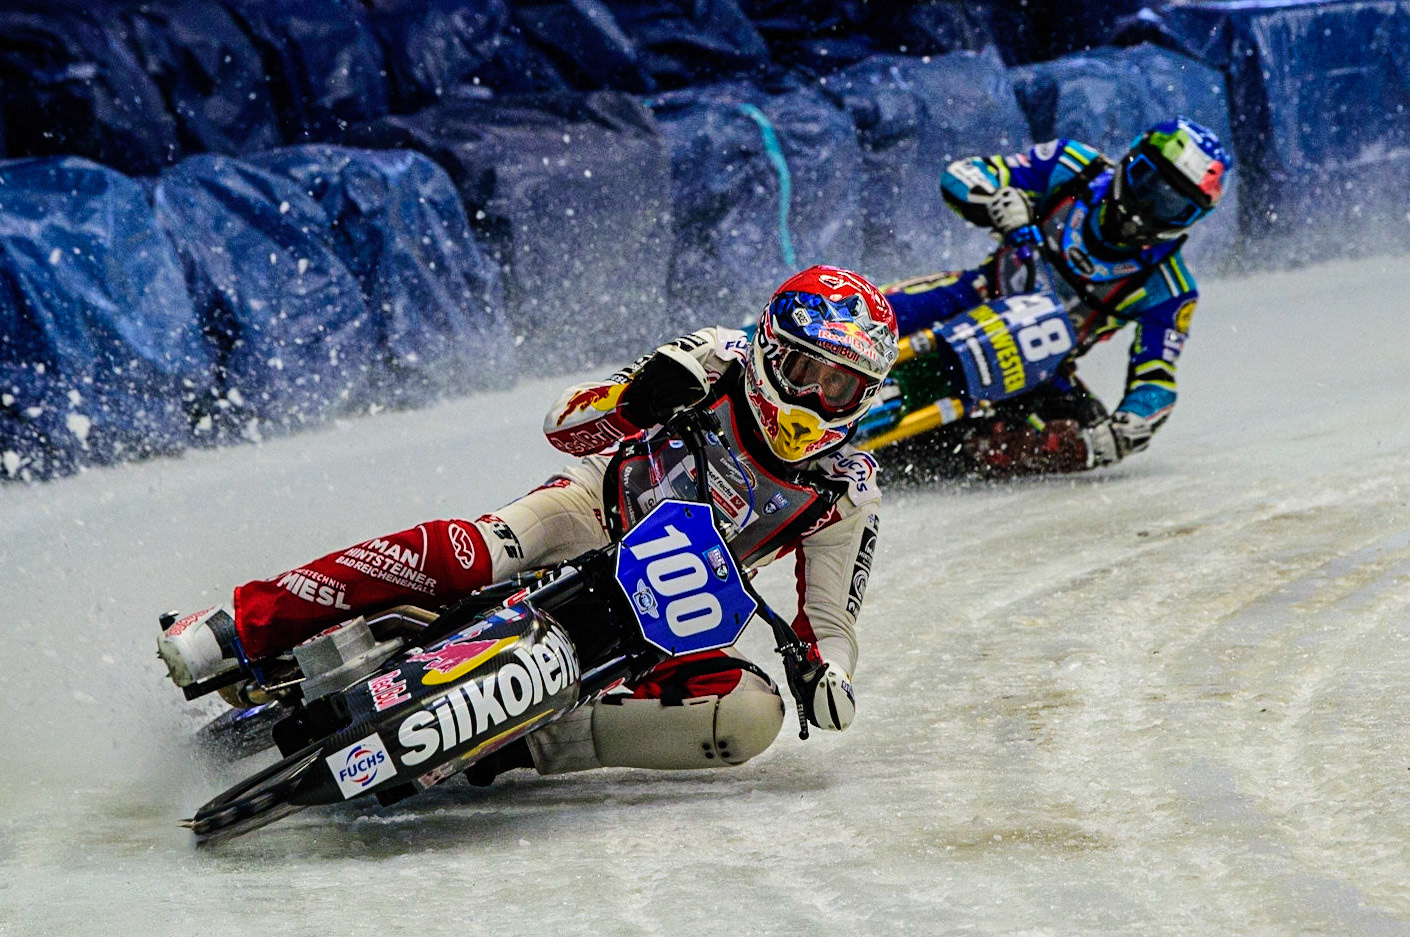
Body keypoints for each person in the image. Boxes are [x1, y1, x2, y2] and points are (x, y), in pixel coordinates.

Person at [158, 265, 899, 782]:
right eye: (809, 372)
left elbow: (832, 620)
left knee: (750, 713)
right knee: (474, 548)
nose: (819, 399)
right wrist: (634, 402)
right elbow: (563, 425)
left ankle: (522, 744)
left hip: (667, 611)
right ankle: (242, 627)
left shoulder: (846, 487)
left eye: (844, 386)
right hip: (589, 510)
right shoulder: (716, 357)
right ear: (773, 349)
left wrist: (827, 672)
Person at [883, 117, 1230, 470]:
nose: (1148, 209)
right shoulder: (1072, 166)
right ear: (1131, 160)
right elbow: (962, 174)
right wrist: (999, 201)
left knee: (1084, 439)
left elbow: (1156, 376)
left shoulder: (1170, 289)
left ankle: (931, 456)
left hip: (1036, 373)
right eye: (1147, 184)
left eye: (1172, 206)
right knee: (858, 312)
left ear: (1191, 219)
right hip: (973, 295)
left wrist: (1129, 425)